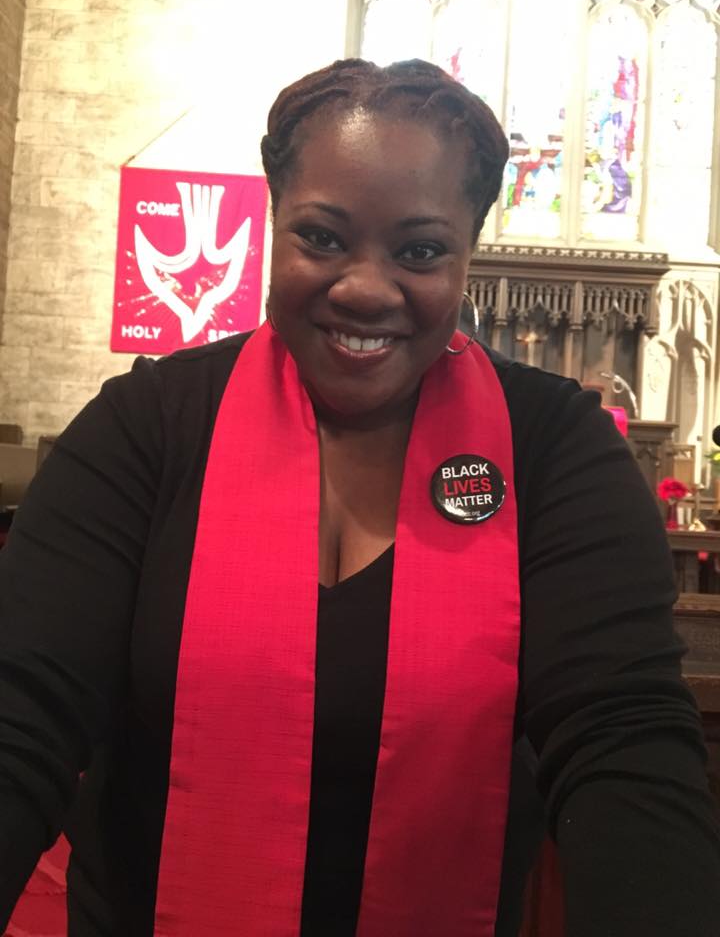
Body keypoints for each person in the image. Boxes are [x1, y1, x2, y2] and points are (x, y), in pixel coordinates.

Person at [0, 58, 719, 937]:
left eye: (419, 251)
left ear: (468, 251)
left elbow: (622, 736)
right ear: (275, 224)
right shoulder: (146, 427)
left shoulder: (555, 448)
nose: (367, 288)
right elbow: (21, 710)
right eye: (324, 239)